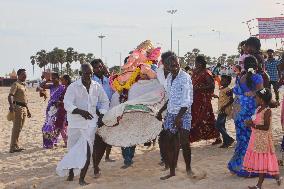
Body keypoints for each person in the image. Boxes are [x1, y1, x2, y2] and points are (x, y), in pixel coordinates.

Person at [56, 63, 109, 186]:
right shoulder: (73, 87)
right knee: (73, 150)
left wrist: (102, 114)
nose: (89, 75)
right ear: (80, 74)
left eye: (90, 73)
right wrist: (79, 111)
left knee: (87, 150)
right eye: (86, 73)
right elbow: (67, 103)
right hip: (75, 124)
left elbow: (105, 101)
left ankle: (82, 179)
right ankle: (70, 174)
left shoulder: (97, 86)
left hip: (91, 124)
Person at [156, 52, 193, 180]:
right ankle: (172, 171)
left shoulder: (185, 77)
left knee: (184, 142)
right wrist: (161, 111)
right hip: (171, 113)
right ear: (166, 67)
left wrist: (179, 117)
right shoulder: (170, 78)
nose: (175, 67)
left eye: (176, 64)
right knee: (168, 141)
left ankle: (188, 169)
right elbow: (170, 99)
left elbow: (187, 100)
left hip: (184, 113)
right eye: (171, 65)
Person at [228, 56, 264, 177]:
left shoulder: (241, 77)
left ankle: (237, 165)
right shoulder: (257, 77)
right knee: (251, 139)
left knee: (242, 140)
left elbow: (236, 92)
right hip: (250, 112)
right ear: (256, 65)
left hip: (239, 111)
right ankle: (250, 168)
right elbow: (261, 93)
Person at [243, 88, 282, 189]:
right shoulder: (258, 109)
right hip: (256, 138)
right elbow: (256, 121)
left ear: (261, 99)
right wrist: (251, 123)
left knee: (263, 161)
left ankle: (259, 185)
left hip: (264, 140)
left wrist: (252, 125)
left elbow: (266, 127)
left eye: (256, 97)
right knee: (263, 161)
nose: (255, 99)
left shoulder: (267, 111)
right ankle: (277, 177)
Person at [91, 59, 115, 178]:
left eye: (100, 66)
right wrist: (99, 115)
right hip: (96, 116)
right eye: (96, 67)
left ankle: (97, 164)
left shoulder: (107, 80)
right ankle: (95, 167)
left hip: (108, 115)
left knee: (104, 142)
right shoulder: (90, 81)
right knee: (97, 142)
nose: (98, 69)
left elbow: (113, 95)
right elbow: (91, 101)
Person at [190, 56, 221, 144]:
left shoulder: (206, 73)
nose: (195, 65)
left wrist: (200, 88)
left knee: (207, 118)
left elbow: (211, 85)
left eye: (196, 63)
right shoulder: (195, 72)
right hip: (194, 99)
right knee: (193, 117)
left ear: (200, 63)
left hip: (203, 100)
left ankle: (217, 137)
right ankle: (191, 139)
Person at [8, 69, 31, 153]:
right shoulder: (16, 84)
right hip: (17, 108)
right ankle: (12, 147)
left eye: (25, 74)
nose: (25, 76)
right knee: (16, 128)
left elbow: (24, 100)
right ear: (18, 75)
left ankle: (16, 146)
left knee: (19, 128)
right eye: (22, 75)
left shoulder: (24, 85)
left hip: (24, 108)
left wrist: (28, 110)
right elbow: (10, 95)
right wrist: (11, 106)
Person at [40, 73, 66, 149]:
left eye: (55, 78)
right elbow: (41, 86)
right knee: (47, 125)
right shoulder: (51, 86)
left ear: (58, 78)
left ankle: (53, 141)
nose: (53, 80)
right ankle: (48, 143)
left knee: (55, 125)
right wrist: (47, 80)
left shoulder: (62, 87)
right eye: (52, 78)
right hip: (50, 108)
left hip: (58, 107)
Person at [214, 75, 235, 148]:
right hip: (221, 109)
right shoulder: (222, 89)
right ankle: (226, 142)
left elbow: (231, 99)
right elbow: (224, 98)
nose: (221, 81)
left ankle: (229, 138)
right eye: (221, 80)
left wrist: (224, 107)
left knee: (218, 125)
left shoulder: (228, 90)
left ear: (228, 82)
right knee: (222, 125)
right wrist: (217, 97)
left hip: (224, 110)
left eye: (223, 80)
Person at [53, 74, 72, 148]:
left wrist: (59, 102)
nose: (61, 81)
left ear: (66, 81)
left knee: (61, 126)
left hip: (64, 109)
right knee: (59, 125)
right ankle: (54, 141)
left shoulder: (68, 89)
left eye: (62, 80)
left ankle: (66, 142)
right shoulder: (65, 88)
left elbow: (69, 100)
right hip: (61, 109)